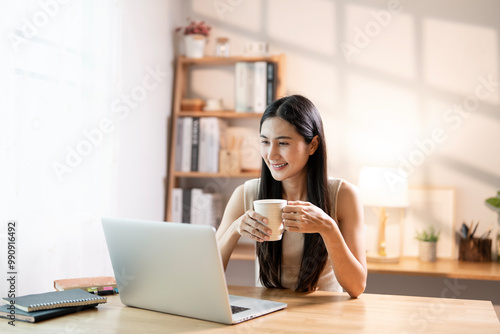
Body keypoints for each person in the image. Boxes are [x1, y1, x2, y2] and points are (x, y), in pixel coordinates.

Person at [216, 95, 366, 297]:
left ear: (312, 145)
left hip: (325, 316)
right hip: (266, 314)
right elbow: (208, 274)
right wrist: (235, 229)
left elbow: (356, 287)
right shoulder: (247, 193)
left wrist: (328, 228)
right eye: (265, 142)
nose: (271, 154)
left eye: (283, 143)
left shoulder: (343, 195)